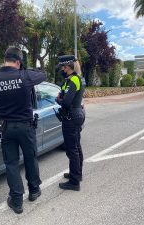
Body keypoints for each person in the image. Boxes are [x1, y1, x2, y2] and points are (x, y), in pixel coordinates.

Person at [0, 46, 46, 214]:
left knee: (11, 163)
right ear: (18, 62)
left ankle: (17, 201)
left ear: (4, 60)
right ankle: (34, 191)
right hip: (26, 127)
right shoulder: (25, 76)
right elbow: (43, 74)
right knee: (30, 158)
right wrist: (24, 70)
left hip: (5, 128)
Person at [55, 55, 85, 191]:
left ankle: (74, 182)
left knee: (72, 149)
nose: (62, 69)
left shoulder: (74, 80)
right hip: (75, 115)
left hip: (71, 117)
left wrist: (58, 100)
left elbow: (66, 102)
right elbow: (65, 96)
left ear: (68, 67)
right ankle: (77, 174)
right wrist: (62, 97)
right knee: (76, 146)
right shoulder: (72, 79)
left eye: (63, 66)